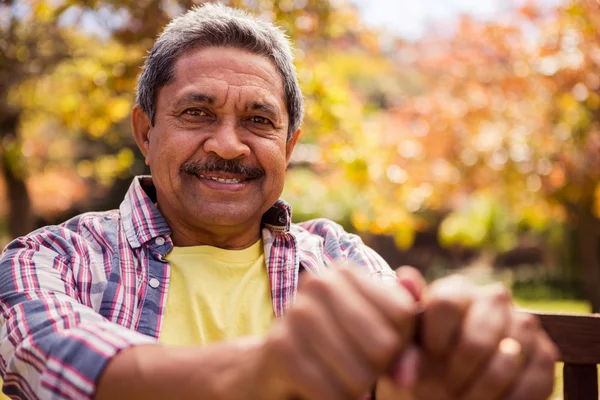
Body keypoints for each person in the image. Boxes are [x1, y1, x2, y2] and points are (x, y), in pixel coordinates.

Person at [0, 3, 558, 400]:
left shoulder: (340, 257)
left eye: (259, 121)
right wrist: (261, 372)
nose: (227, 144)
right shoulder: (50, 258)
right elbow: (53, 360)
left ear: (288, 147)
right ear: (145, 132)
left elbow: (401, 378)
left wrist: (445, 370)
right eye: (197, 113)